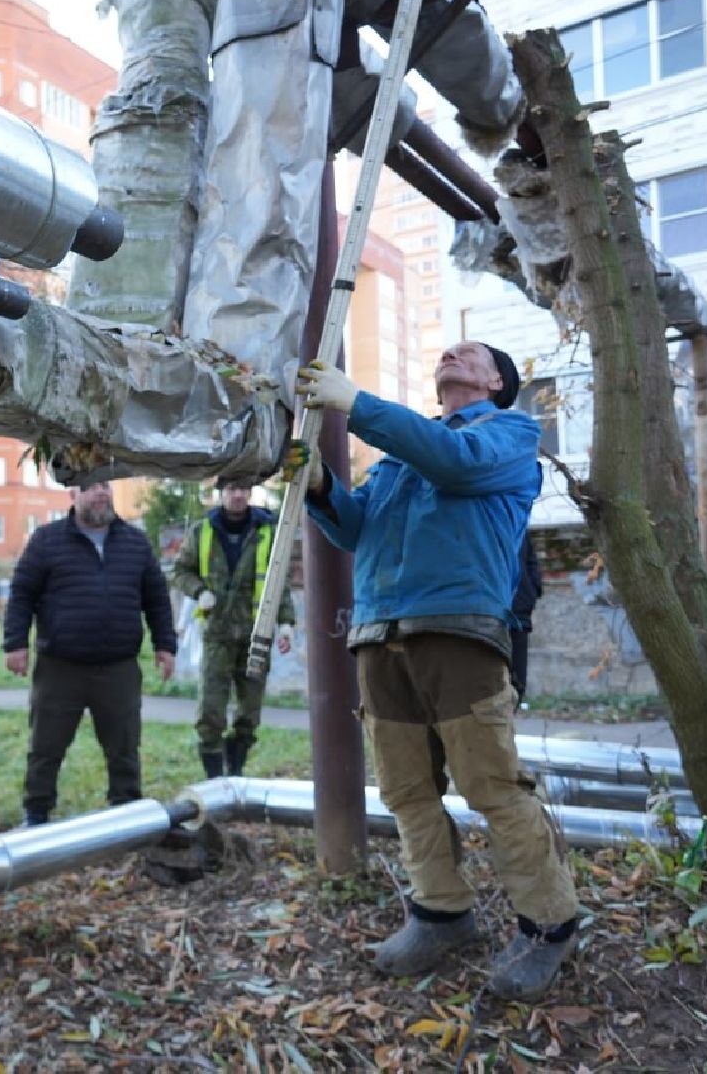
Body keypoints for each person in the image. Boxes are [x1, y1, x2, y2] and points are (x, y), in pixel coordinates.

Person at [290, 340, 580, 1002]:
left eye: (471, 351)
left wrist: (354, 405)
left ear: (496, 380)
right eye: (450, 348)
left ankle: (547, 928)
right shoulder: (401, 453)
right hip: (378, 633)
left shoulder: (509, 433)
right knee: (406, 791)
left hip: (457, 633)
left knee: (493, 788)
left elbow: (454, 464)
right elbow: (356, 528)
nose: (452, 350)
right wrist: (317, 485)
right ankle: (439, 913)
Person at [3, 481, 177, 828]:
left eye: (105, 486)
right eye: (90, 487)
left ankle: (126, 813)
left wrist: (165, 645)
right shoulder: (47, 541)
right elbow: (22, 593)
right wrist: (15, 643)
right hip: (60, 668)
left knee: (124, 747)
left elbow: (156, 597)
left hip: (118, 667)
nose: (101, 493)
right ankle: (36, 814)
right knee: (46, 747)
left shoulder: (135, 542)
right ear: (73, 496)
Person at [170, 477, 295, 778]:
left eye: (242, 489)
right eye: (231, 489)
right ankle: (215, 778)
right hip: (217, 634)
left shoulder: (266, 531)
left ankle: (236, 770)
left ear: (250, 492)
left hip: (257, 635)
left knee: (249, 713)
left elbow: (280, 582)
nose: (237, 495)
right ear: (220, 494)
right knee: (211, 710)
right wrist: (200, 591)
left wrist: (287, 623)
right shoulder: (203, 531)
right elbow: (180, 572)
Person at [510, 531, 543, 703]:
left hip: (518, 614)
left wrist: (533, 590)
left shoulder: (519, 527)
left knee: (518, 682)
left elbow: (531, 561)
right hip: (489, 617)